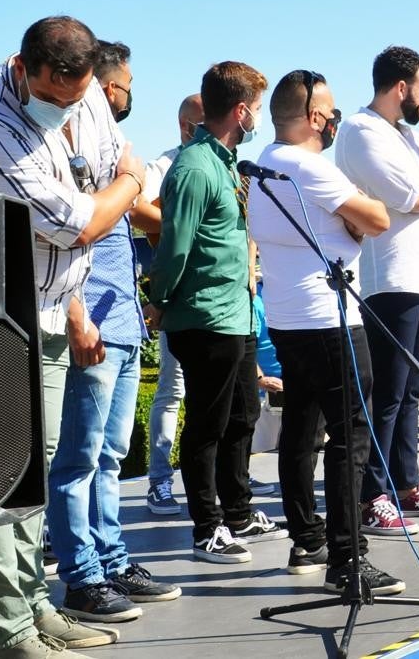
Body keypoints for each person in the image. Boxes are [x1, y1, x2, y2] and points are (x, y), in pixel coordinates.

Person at [0, 15, 145, 658]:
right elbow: (80, 223)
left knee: (33, 477)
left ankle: (34, 604)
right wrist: (127, 184)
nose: (67, 111)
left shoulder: (88, 92)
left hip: (45, 308)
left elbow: (98, 188)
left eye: (78, 98)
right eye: (53, 97)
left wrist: (112, 191)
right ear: (24, 70)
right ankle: (10, 632)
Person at [250, 69, 407, 594]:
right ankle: (348, 555)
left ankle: (307, 539)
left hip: (288, 319)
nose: (336, 119)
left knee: (302, 426)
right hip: (330, 317)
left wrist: (348, 220)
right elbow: (376, 218)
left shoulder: (264, 164)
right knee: (351, 433)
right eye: (332, 111)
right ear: (317, 117)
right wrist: (353, 215)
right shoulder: (306, 166)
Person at [47, 37, 180, 626]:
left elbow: (133, 220)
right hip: (93, 322)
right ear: (104, 87)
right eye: (125, 85)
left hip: (123, 321)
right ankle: (80, 578)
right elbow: (63, 240)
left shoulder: (111, 149)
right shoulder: (66, 147)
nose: (129, 96)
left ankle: (111, 559)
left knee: (109, 455)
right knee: (79, 457)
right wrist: (78, 316)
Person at [148, 61, 286, 563]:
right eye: (255, 111)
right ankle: (207, 529)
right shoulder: (193, 168)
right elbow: (174, 247)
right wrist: (159, 301)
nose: (257, 123)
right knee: (207, 423)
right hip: (204, 316)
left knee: (244, 415)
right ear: (242, 110)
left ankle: (238, 513)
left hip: (238, 312)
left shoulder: (227, 163)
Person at [335, 46, 419, 521]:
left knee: (412, 389)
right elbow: (411, 197)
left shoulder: (411, 135)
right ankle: (373, 495)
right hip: (387, 278)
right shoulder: (360, 130)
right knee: (387, 394)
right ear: (400, 88)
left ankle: (407, 484)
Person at [144, 94, 203, 516]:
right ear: (186, 125)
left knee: (218, 395)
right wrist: (178, 230)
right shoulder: (163, 166)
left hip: (219, 299)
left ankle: (217, 477)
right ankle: (160, 481)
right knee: (173, 389)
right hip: (180, 294)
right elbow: (137, 210)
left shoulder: (223, 161)